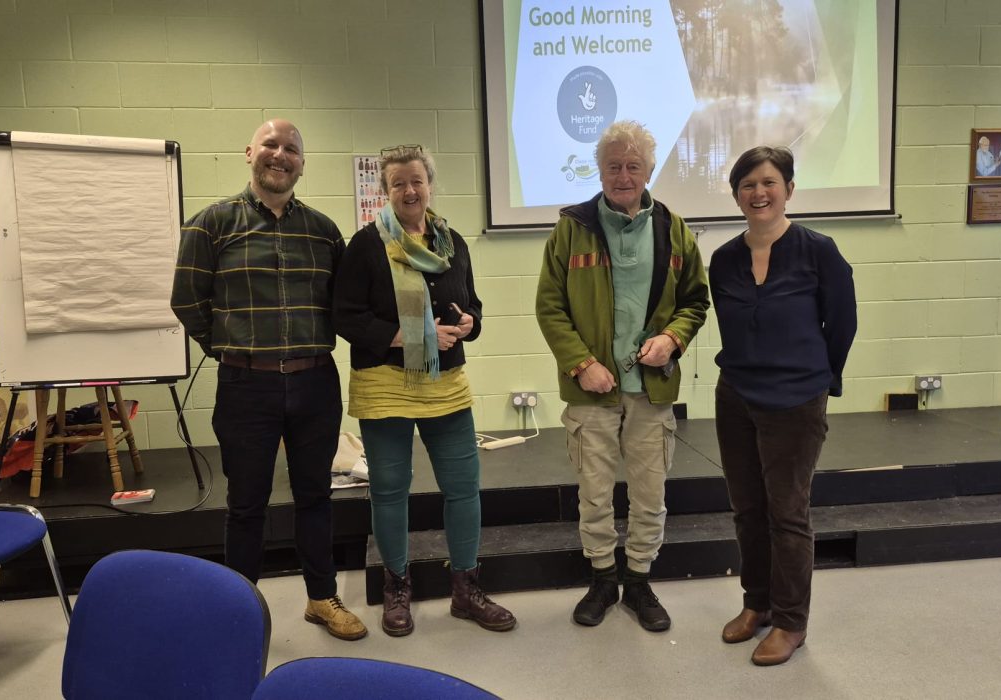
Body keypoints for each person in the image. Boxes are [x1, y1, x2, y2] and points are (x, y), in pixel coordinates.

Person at [170, 119, 366, 640]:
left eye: (292, 149)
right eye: (271, 146)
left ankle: (321, 599)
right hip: (245, 386)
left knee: (315, 497)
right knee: (246, 503)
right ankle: (240, 610)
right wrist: (233, 350)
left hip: (314, 383)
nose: (281, 156)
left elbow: (341, 307)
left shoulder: (324, 232)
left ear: (302, 162)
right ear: (250, 152)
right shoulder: (210, 225)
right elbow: (187, 302)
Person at [334, 144, 516, 637]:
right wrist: (415, 336)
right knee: (390, 493)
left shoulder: (452, 241)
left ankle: (466, 591)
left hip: (445, 382)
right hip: (384, 383)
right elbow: (347, 317)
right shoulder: (366, 245)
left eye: (417, 181)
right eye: (398, 184)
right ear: (385, 192)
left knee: (464, 489)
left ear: (429, 184)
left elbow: (471, 306)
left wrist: (470, 323)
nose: (409, 191)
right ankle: (397, 590)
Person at [536, 120, 709, 632]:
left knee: (649, 493)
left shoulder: (674, 229)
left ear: (650, 170)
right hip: (592, 391)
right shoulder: (572, 228)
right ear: (600, 170)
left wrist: (674, 338)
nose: (623, 175)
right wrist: (581, 364)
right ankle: (603, 579)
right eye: (613, 166)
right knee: (594, 491)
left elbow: (696, 301)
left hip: (651, 391)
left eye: (634, 166)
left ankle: (638, 580)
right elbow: (550, 307)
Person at [711, 146, 856, 667]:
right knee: (747, 509)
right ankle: (758, 605)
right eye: (748, 185)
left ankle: (792, 621)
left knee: (787, 514)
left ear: (788, 189)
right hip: (737, 398)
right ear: (736, 195)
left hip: (796, 401)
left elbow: (842, 326)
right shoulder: (724, 258)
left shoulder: (820, 251)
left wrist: (818, 380)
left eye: (769, 182)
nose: (759, 193)